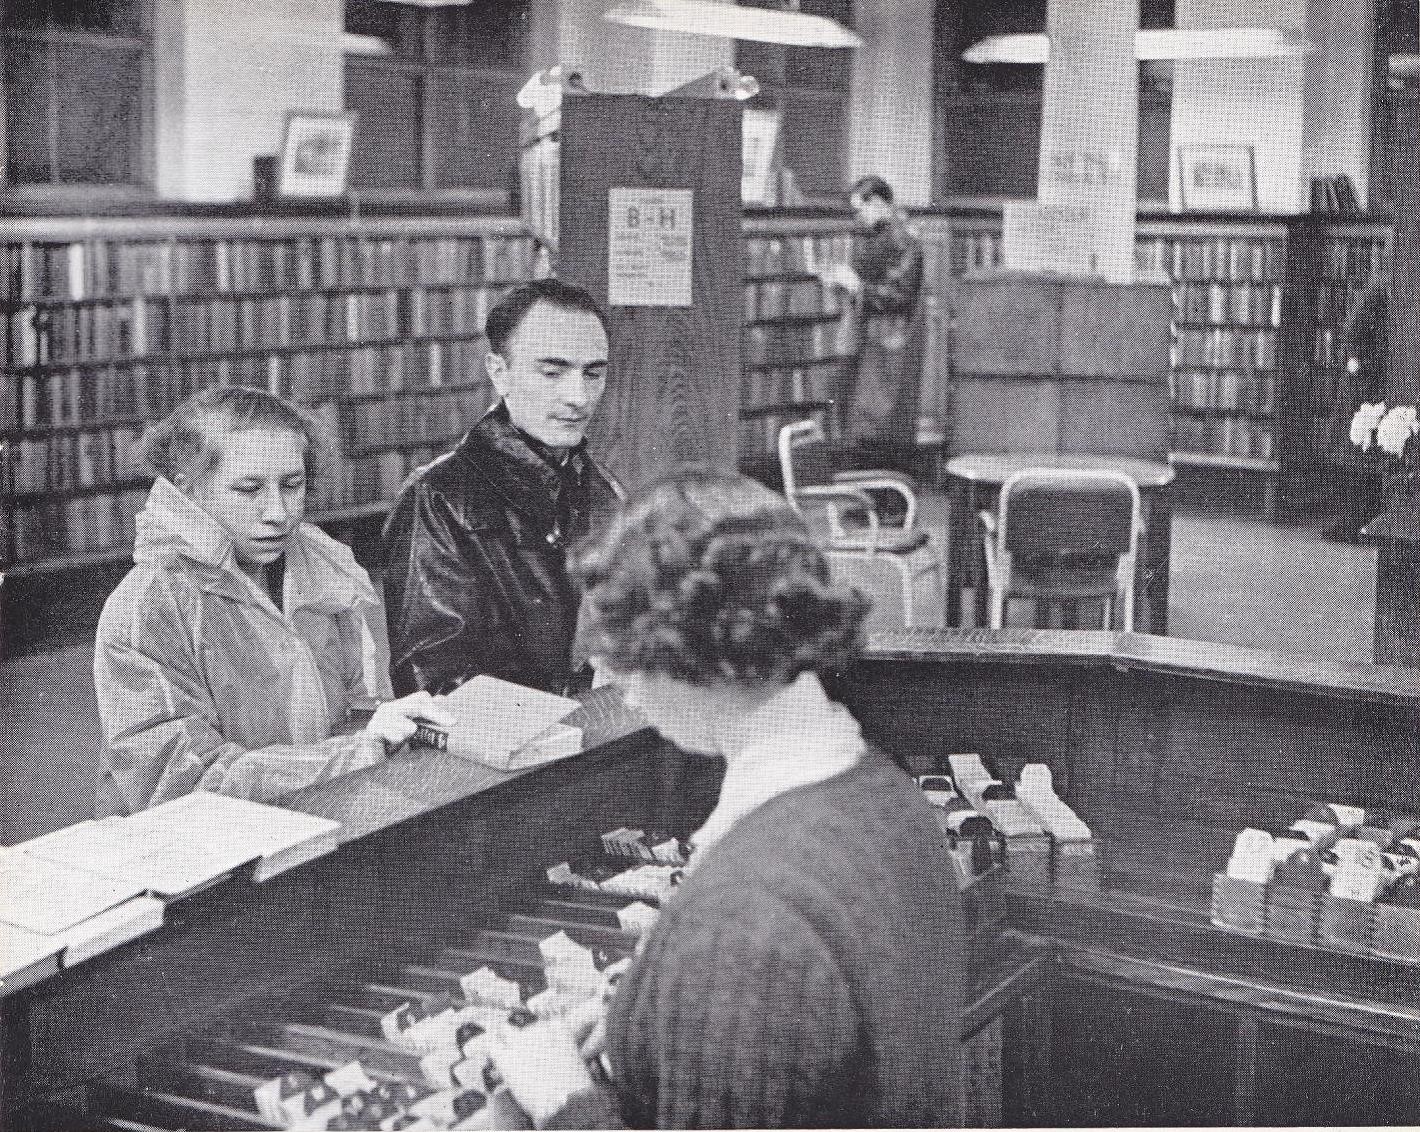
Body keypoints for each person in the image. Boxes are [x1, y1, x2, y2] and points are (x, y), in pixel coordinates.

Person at [488, 466, 967, 1129]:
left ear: (692, 650)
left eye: (628, 654)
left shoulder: (741, 924)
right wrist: (657, 1023)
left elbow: (752, 956)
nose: (621, 687)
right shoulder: (887, 797)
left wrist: (564, 1102)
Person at [94, 386, 450, 816]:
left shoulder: (323, 569)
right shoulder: (148, 607)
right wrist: (357, 752)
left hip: (320, 813)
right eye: (249, 489)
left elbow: (358, 706)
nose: (277, 513)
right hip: (196, 850)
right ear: (188, 488)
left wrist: (389, 732)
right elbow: (181, 784)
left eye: (292, 485)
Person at [382, 277, 623, 696]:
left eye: (593, 374)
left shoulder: (604, 491)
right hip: (507, 752)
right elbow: (433, 682)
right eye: (553, 372)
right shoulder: (439, 497)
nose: (578, 397)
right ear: (500, 372)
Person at [819, 174, 925, 477]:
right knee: (862, 417)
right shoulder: (882, 236)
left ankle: (882, 500)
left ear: (878, 203)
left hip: (889, 341)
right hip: (871, 337)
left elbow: (900, 294)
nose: (859, 218)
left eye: (860, 209)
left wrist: (855, 286)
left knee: (877, 420)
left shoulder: (904, 239)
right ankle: (869, 496)